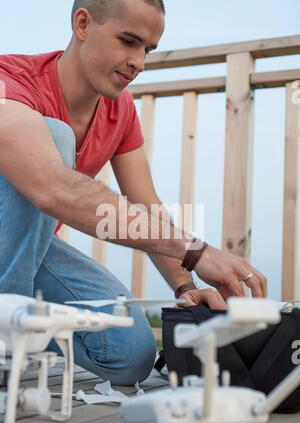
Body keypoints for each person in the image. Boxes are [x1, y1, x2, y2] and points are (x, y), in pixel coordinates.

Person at [0, 0, 267, 385]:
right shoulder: (11, 80)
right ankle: (9, 344)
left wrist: (186, 284)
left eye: (148, 50)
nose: (139, 62)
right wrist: (198, 251)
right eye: (129, 41)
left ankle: (20, 332)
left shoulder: (121, 110)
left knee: (129, 353)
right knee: (54, 136)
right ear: (82, 24)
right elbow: (50, 187)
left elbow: (148, 208)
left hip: (26, 256)